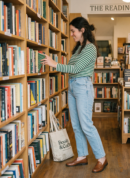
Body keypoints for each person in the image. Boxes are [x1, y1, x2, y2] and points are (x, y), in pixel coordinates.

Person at [41, 17, 108, 173]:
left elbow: (75, 68)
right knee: (76, 125)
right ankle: (82, 156)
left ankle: (102, 158)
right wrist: (60, 65)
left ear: (82, 30)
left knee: (86, 125)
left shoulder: (90, 48)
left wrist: (55, 64)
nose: (71, 34)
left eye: (73, 31)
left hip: (82, 86)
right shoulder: (78, 48)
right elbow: (70, 67)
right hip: (72, 86)